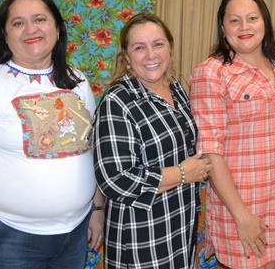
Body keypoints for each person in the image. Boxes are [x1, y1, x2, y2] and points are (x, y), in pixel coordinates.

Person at [0, 0, 104, 269]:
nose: (31, 29)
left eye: (40, 19)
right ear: (5, 35)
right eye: (18, 23)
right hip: (13, 238)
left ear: (57, 28)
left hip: (75, 233)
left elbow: (89, 148)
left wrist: (97, 208)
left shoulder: (77, 81)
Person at [190, 0, 275, 269]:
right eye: (234, 21)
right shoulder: (211, 72)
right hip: (241, 202)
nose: (244, 27)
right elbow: (210, 150)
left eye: (252, 18)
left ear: (265, 22)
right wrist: (241, 216)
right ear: (223, 28)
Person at [91, 13, 212, 268]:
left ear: (169, 47)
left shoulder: (176, 88)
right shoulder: (118, 102)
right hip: (141, 238)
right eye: (139, 48)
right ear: (126, 57)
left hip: (181, 228)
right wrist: (182, 174)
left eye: (158, 44)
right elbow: (115, 180)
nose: (151, 55)